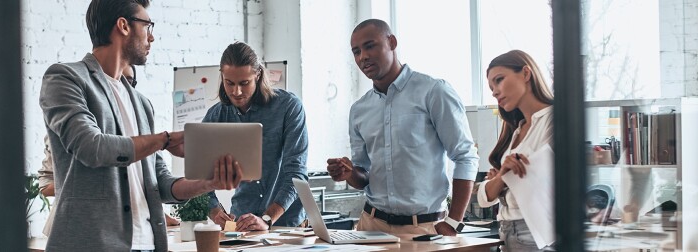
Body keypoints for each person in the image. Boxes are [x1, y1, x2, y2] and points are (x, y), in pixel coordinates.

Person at [39, 1, 243, 251]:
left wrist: (209, 182)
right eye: (147, 25)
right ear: (123, 26)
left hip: (147, 244)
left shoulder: (141, 104)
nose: (152, 36)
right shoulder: (66, 78)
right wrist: (165, 140)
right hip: (92, 243)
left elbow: (161, 184)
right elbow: (91, 147)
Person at [326, 19, 479, 236]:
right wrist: (347, 173)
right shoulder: (359, 109)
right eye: (356, 51)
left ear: (392, 42)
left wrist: (454, 222)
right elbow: (363, 175)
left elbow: (465, 156)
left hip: (423, 227)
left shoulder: (434, 91)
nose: (363, 57)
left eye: (370, 46)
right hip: (372, 226)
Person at [37, 65, 180, 239]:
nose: (123, 86)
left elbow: (156, 181)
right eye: (118, 79)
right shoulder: (74, 129)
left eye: (130, 81)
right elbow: (45, 185)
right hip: (84, 231)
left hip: (140, 235)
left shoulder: (141, 117)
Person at [205, 42, 309, 231]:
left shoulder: (289, 107)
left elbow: (296, 174)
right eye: (229, 83)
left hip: (286, 224)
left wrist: (267, 219)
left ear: (258, 75)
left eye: (244, 83)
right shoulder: (217, 116)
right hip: (241, 223)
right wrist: (214, 209)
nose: (236, 92)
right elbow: (199, 174)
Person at [476, 49, 554, 251]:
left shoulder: (554, 120)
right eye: (491, 86)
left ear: (526, 74)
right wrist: (503, 177)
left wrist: (499, 181)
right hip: (508, 232)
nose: (494, 92)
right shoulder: (517, 129)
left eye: (499, 80)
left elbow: (537, 181)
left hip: (534, 232)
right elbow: (483, 197)